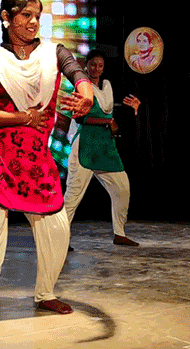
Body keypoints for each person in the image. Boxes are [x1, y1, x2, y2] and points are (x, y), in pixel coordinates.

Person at [0, 0, 93, 329]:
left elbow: (77, 73)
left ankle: (45, 293)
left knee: (56, 228)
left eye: (37, 16)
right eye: (25, 15)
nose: (33, 22)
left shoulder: (53, 53)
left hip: (33, 155)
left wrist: (86, 94)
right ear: (6, 17)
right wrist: (23, 117)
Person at [57, 49, 140, 247]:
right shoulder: (82, 87)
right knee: (72, 197)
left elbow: (114, 117)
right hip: (85, 145)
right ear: (86, 65)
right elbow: (82, 118)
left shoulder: (108, 87)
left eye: (100, 65)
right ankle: (60, 239)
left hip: (105, 146)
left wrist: (133, 108)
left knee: (122, 189)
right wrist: (108, 121)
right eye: (93, 64)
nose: (96, 68)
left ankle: (119, 233)